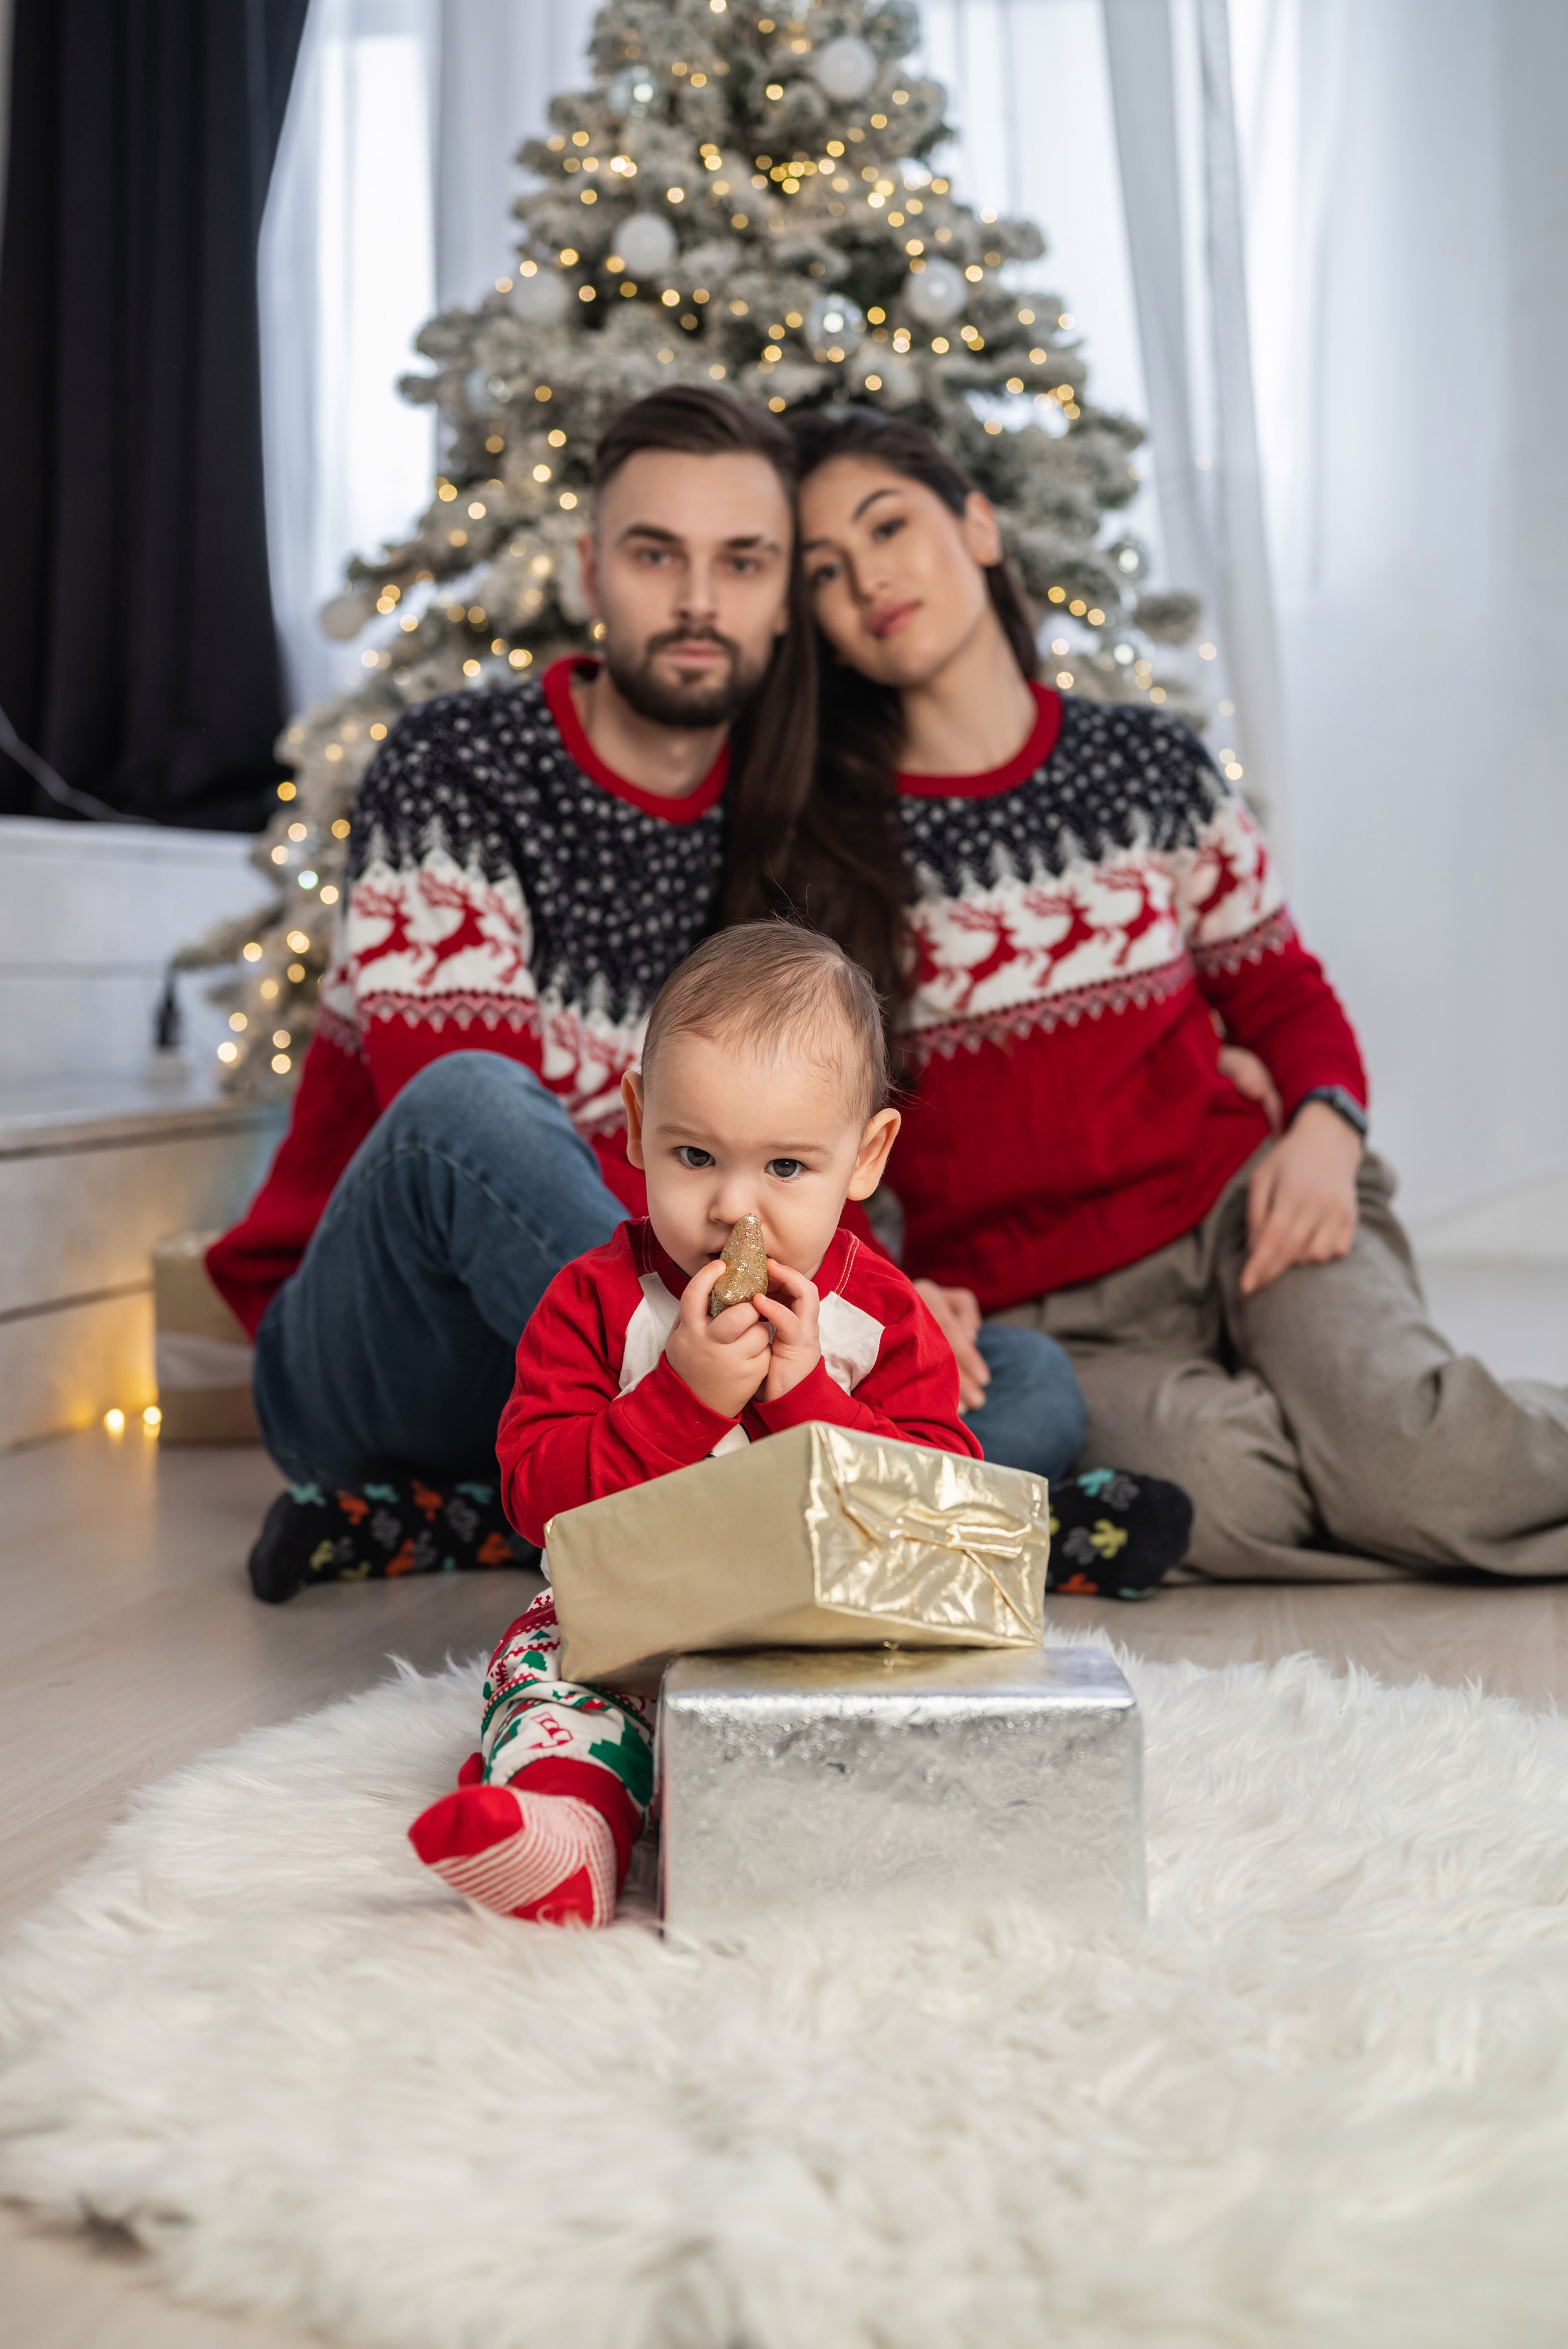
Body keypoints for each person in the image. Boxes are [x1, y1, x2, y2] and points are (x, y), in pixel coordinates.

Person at [214, 388, 1086, 1604]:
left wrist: (869, 1304)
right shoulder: (458, 763)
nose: (694, 600)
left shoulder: (800, 822)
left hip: (675, 1371)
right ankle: (848, 1516)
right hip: (402, 1353)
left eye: (741, 562)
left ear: (786, 593)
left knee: (1023, 1375)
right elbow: (467, 1158)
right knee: (474, 1105)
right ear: (589, 572)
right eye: (652, 554)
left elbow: (805, 1122)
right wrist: (766, 1331)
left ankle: (494, 1520)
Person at [777, 404, 1568, 1580]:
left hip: (1250, 1214)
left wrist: (1322, 1127)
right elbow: (810, 1132)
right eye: (827, 572)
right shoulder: (827, 850)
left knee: (1422, 1466)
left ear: (980, 526)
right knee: (1228, 1499)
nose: (869, 581)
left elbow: (1285, 995)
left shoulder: (1148, 768)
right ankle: (1351, 1442)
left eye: (889, 527)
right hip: (1045, 1316)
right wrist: (890, 1293)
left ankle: (1388, 1442)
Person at [405, 924, 1185, 1928]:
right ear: (638, 1126)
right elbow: (539, 1498)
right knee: (546, 1678)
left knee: (921, 1688)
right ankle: (566, 1828)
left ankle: (852, 1829)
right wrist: (681, 1399)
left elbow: (937, 1502)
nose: (735, 1209)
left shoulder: (883, 1317)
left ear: (864, 1158)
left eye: (786, 1168)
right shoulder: (595, 1301)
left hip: (834, 1628)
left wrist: (804, 1392)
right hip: (633, 1616)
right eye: (694, 1156)